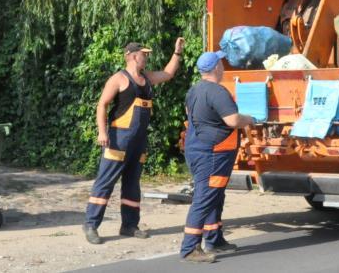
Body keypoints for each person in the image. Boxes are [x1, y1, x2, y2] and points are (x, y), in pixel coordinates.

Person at [83, 38, 185, 245]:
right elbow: (102, 105)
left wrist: (177, 52)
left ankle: (129, 225)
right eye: (143, 54)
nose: (146, 57)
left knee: (132, 185)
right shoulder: (118, 79)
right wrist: (102, 132)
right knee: (105, 183)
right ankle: (91, 225)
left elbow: (168, 74)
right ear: (131, 56)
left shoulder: (146, 78)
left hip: (138, 141)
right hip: (118, 139)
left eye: (147, 54)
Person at [179, 50, 255, 263]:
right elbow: (232, 120)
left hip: (199, 149)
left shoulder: (194, 90)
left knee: (214, 195)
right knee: (204, 198)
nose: (223, 66)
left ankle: (214, 239)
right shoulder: (217, 91)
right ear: (215, 68)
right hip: (213, 154)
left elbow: (189, 113)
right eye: (221, 63)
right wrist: (249, 119)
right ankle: (189, 248)